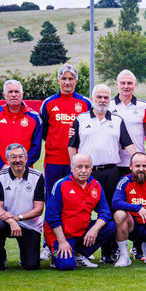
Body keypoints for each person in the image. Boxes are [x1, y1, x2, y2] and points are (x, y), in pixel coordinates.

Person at [70, 84, 135, 261]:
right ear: (92, 98)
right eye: (99, 97)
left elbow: (127, 144)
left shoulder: (117, 120)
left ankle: (109, 253)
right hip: (86, 173)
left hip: (110, 172)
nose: (102, 100)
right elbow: (72, 145)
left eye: (106, 97)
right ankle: (78, 250)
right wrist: (73, 167)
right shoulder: (81, 119)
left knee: (112, 211)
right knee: (81, 210)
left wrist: (137, 159)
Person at [0, 79, 42, 264]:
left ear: (22, 94)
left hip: (26, 174)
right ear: (4, 95)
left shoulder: (34, 116)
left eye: (17, 91)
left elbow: (36, 147)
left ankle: (29, 243)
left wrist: (22, 166)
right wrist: (2, 166)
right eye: (10, 92)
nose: (14, 94)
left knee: (28, 206)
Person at [47, 153, 115, 270]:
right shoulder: (61, 185)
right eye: (79, 167)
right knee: (66, 266)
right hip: (62, 235)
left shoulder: (96, 185)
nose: (83, 170)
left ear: (91, 168)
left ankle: (80, 254)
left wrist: (94, 229)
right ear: (72, 168)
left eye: (87, 167)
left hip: (82, 231)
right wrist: (62, 241)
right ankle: (56, 254)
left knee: (110, 226)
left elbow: (105, 213)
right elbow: (52, 216)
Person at [38, 64, 91, 213]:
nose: (67, 82)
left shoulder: (85, 103)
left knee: (76, 201)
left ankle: (74, 235)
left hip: (77, 162)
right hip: (53, 161)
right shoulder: (48, 103)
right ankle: (50, 236)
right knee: (52, 199)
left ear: (76, 81)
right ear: (58, 80)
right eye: (64, 78)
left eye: (71, 79)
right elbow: (45, 132)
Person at [0, 143, 46, 271]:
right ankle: (0, 260)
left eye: (21, 156)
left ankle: (25, 255)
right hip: (7, 222)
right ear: (7, 160)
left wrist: (18, 218)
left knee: (32, 266)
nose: (17, 160)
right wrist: (11, 221)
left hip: (29, 224)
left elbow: (39, 209)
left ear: (26, 158)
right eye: (13, 157)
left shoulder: (37, 177)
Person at [110, 70, 146, 181]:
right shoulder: (108, 105)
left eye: (129, 83)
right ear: (117, 84)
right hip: (114, 163)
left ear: (135, 85)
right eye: (123, 83)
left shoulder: (144, 106)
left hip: (136, 163)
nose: (126, 86)